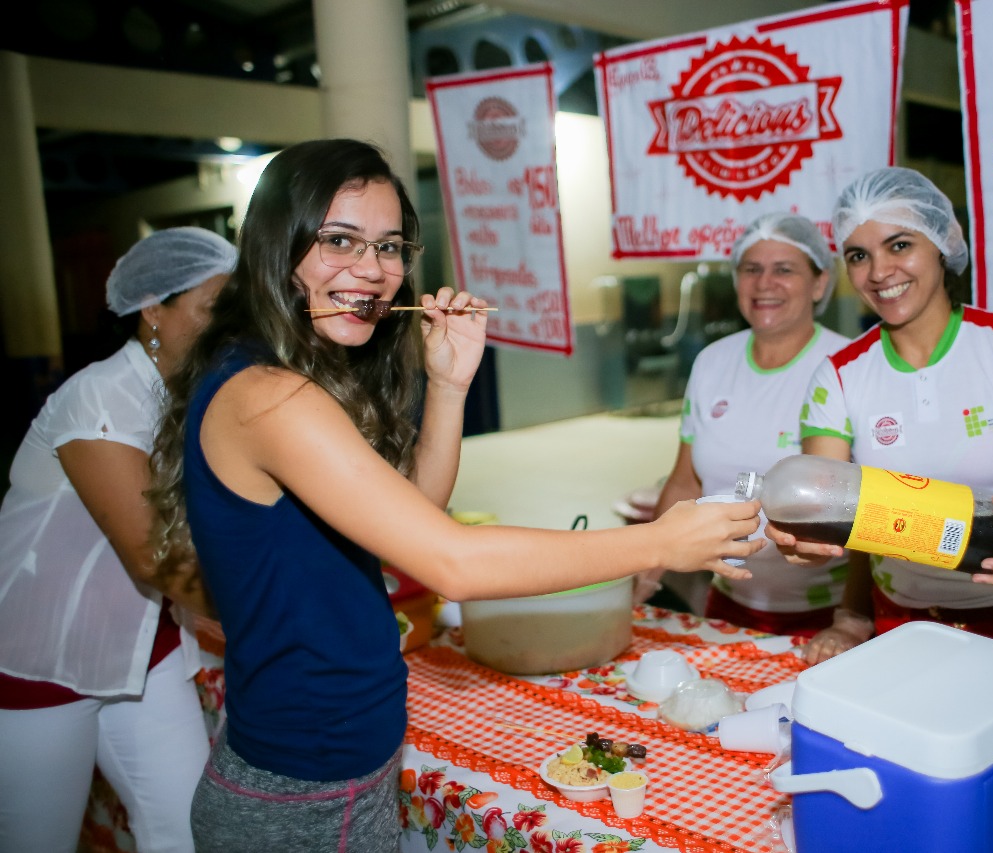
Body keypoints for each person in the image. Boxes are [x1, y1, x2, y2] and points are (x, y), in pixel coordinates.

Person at [145, 138, 763, 852]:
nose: (373, 271)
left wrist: (448, 384)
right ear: (276, 249)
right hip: (301, 790)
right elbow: (452, 562)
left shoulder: (285, 378)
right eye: (339, 240)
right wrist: (660, 539)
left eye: (390, 246)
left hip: (337, 769)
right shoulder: (268, 397)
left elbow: (415, 511)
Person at [773, 166, 993, 701]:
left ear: (942, 244)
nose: (879, 271)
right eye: (859, 255)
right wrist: (805, 542)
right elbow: (840, 515)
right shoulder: (839, 377)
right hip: (909, 635)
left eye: (900, 244)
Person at [0, 227, 236, 852]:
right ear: (153, 308)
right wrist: (266, 616)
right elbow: (151, 553)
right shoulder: (99, 396)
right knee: (36, 840)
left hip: (140, 642)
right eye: (214, 308)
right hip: (41, 654)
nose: (228, 328)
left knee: (187, 828)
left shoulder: (191, 399)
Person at [643, 213, 853, 635]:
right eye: (751, 269)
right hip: (727, 603)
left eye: (784, 270)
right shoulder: (712, 362)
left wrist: (852, 620)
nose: (764, 284)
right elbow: (686, 482)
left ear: (819, 283)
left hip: (832, 617)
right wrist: (647, 564)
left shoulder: (850, 366)